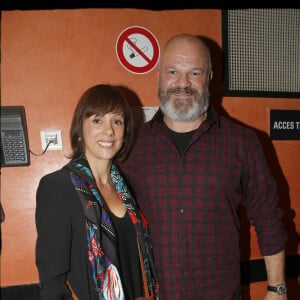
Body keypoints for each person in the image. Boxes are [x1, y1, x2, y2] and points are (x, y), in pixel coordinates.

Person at [118, 34, 288, 299]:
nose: (182, 83)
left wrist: (277, 288)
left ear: (209, 77)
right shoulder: (132, 147)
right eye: (173, 72)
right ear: (159, 76)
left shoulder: (243, 142)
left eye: (194, 72)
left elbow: (269, 217)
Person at [35, 84, 159, 300]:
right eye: (97, 120)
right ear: (80, 129)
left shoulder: (126, 188)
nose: (109, 130)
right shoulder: (57, 187)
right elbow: (52, 282)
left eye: (117, 122)